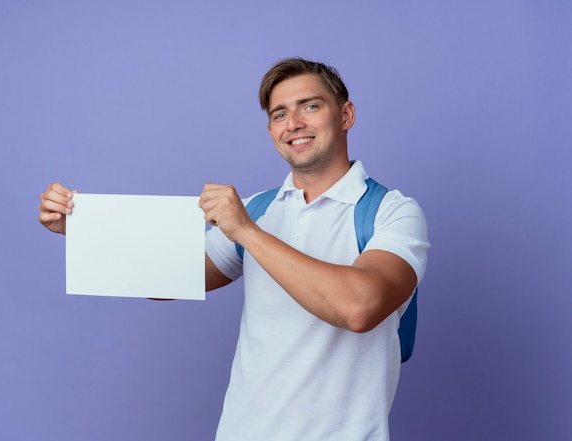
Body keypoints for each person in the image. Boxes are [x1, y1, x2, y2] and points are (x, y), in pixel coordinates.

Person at [39, 57, 429, 441]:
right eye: (279, 114)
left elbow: (360, 308)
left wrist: (247, 232)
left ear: (346, 115)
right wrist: (81, 230)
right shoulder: (260, 208)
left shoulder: (392, 212)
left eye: (310, 106)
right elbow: (166, 278)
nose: (293, 124)